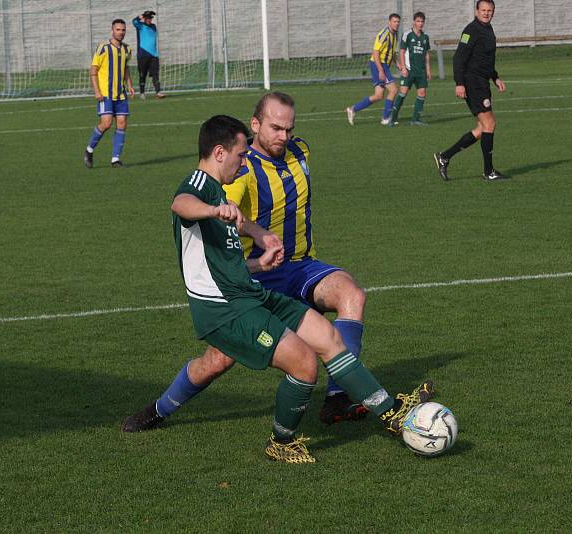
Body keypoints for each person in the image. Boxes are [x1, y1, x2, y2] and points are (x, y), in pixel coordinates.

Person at [122, 93, 433, 435]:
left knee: (350, 297)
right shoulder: (234, 173)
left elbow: (235, 220)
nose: (283, 136)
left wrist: (262, 236)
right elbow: (190, 205)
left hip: (297, 266)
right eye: (275, 128)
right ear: (255, 126)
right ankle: (161, 408)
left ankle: (342, 398)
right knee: (218, 360)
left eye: (289, 128)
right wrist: (225, 218)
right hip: (249, 286)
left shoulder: (300, 151)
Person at [433, 0, 508, 181]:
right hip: (473, 83)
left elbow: (487, 60)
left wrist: (495, 77)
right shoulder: (470, 30)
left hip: (483, 82)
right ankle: (488, 172)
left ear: (493, 12)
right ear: (476, 11)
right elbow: (459, 58)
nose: (486, 13)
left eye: (489, 10)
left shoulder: (489, 30)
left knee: (482, 129)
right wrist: (459, 83)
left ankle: (444, 157)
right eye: (483, 10)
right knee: (490, 124)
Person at [83, 19, 134, 169]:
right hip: (105, 93)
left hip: (121, 94)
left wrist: (130, 85)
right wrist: (97, 91)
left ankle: (115, 159)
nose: (121, 32)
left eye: (123, 30)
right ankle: (89, 150)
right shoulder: (103, 48)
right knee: (106, 124)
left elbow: (125, 69)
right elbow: (93, 70)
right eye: (118, 29)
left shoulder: (127, 49)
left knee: (122, 124)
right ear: (112, 30)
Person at [345, 14, 400, 126]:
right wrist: (380, 70)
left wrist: (397, 63)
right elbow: (375, 53)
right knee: (393, 90)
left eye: (398, 21)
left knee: (379, 95)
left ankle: (353, 109)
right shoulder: (384, 34)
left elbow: (392, 52)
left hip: (383, 65)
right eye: (394, 21)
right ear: (389, 22)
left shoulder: (395, 34)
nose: (396, 23)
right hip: (378, 64)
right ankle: (385, 118)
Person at [388, 12, 431, 126]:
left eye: (422, 21)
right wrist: (403, 68)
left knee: (422, 93)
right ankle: (393, 118)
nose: (420, 23)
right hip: (408, 69)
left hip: (421, 71)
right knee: (403, 93)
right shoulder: (407, 35)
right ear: (414, 21)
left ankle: (416, 119)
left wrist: (428, 70)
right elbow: (402, 51)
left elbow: (426, 54)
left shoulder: (425, 37)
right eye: (418, 21)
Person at [132, 10, 165, 99]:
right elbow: (134, 21)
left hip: (154, 55)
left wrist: (148, 15)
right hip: (142, 55)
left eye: (150, 18)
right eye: (147, 18)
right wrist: (142, 16)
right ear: (144, 19)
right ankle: (142, 93)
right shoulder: (140, 26)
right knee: (142, 75)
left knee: (155, 74)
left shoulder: (153, 27)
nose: (149, 20)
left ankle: (158, 92)